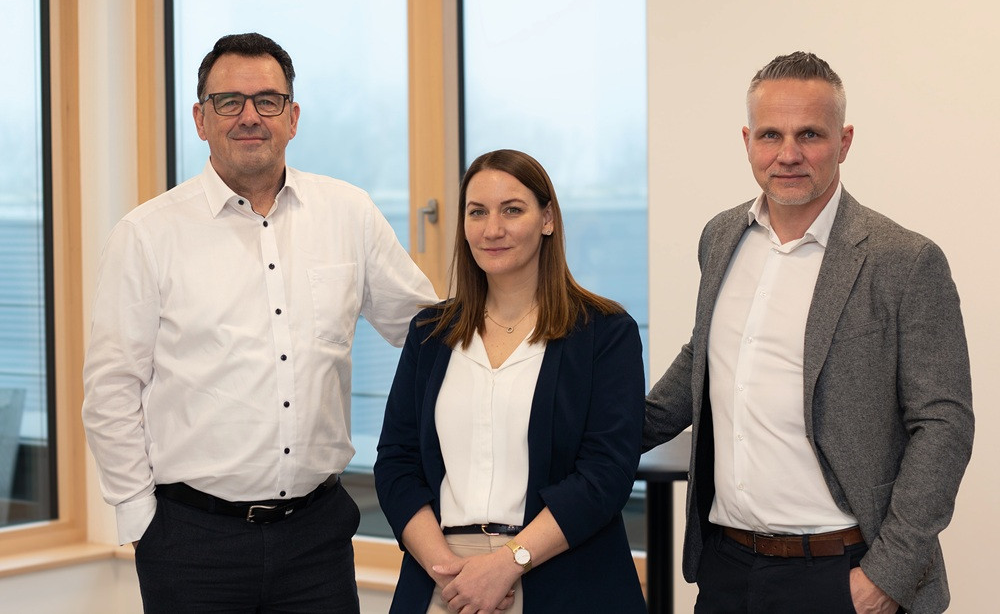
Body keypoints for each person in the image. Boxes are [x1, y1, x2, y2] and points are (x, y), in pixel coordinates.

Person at [82, 32, 437, 613]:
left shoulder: (347, 213)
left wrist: (534, 325)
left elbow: (428, 332)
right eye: (229, 102)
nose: (250, 116)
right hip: (192, 542)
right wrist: (141, 517)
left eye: (268, 101)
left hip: (317, 538)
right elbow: (111, 388)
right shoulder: (147, 235)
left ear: (292, 117)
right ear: (201, 119)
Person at [643, 51, 974, 614]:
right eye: (771, 134)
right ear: (747, 140)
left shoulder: (904, 260)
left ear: (844, 142)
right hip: (725, 569)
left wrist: (885, 578)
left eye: (810, 135)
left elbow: (944, 425)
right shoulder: (721, 237)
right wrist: (601, 437)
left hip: (839, 573)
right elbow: (705, 356)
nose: (788, 154)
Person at [374, 149, 647, 613]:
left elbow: (605, 475)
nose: (492, 229)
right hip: (443, 583)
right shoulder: (429, 335)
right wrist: (448, 572)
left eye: (512, 210)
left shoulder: (604, 333)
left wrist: (507, 563)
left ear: (547, 219)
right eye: (476, 212)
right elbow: (396, 465)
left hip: (558, 575)